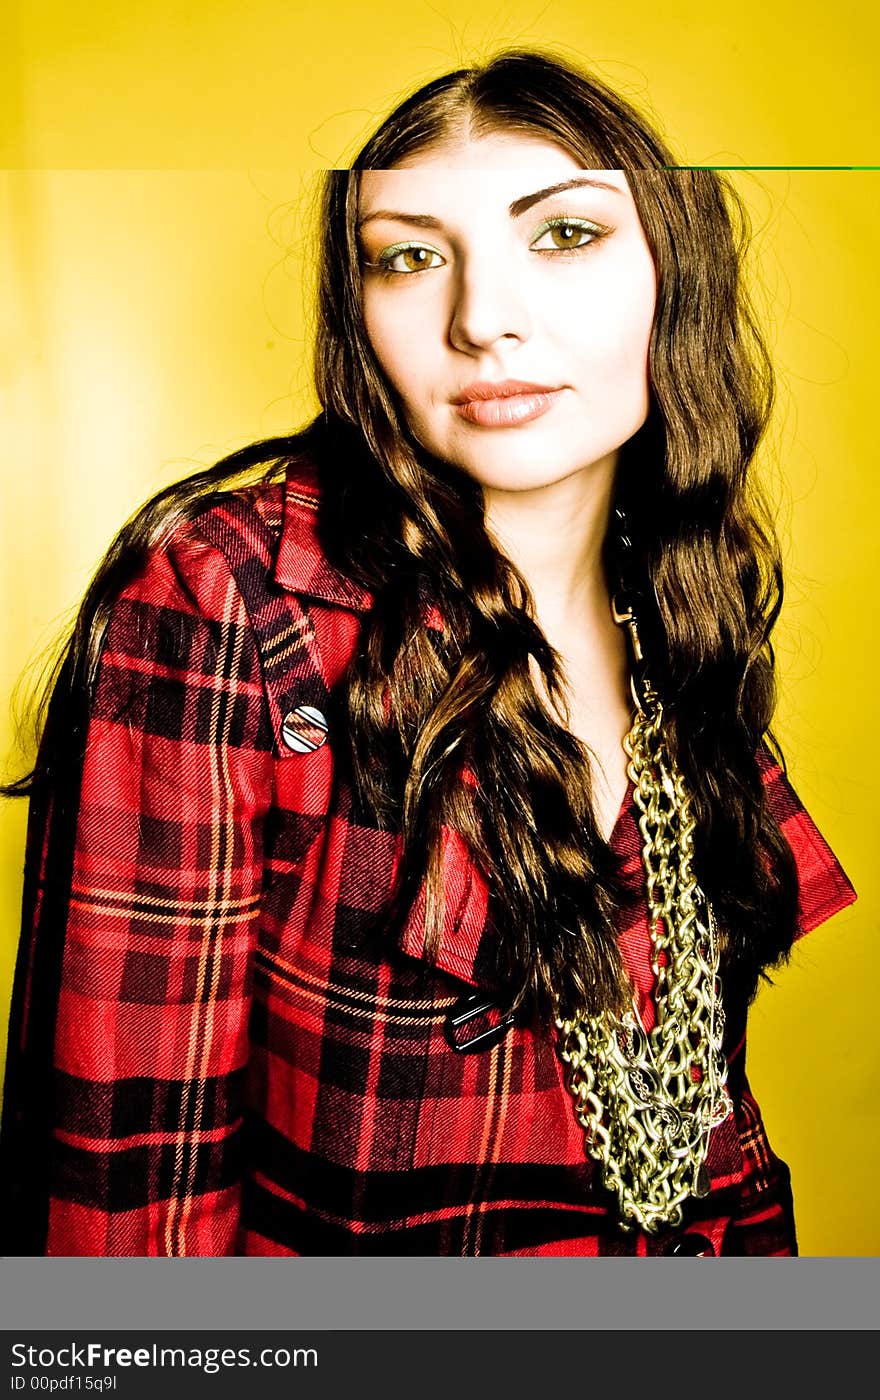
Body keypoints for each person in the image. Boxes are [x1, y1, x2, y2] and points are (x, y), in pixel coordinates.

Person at [0, 49, 856, 1257]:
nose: (482, 318)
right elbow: (122, 1201)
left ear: (677, 270)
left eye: (561, 234)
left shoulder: (676, 605)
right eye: (409, 254)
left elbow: (689, 1124)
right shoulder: (230, 598)